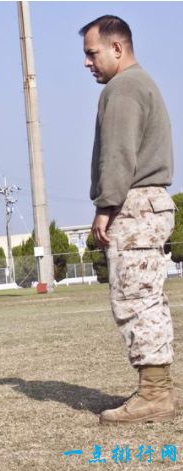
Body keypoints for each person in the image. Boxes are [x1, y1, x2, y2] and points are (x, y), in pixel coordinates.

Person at [80, 16, 177, 424]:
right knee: (149, 298)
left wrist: (106, 206)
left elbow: (118, 155)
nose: (87, 63)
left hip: (134, 205)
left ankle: (155, 395)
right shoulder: (142, 83)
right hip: (149, 202)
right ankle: (160, 389)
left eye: (92, 53)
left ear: (117, 48)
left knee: (135, 300)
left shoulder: (123, 88)